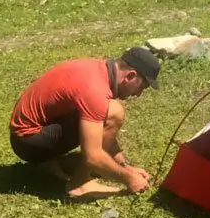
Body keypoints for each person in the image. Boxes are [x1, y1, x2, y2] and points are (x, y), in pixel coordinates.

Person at [9, 46, 161, 200]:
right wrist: (128, 178)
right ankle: (78, 184)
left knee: (108, 112)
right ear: (130, 76)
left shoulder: (98, 69)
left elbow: (103, 133)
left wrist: (126, 167)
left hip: (31, 132)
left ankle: (47, 163)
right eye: (142, 87)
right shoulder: (94, 91)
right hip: (29, 142)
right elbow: (92, 157)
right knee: (114, 112)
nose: (138, 94)